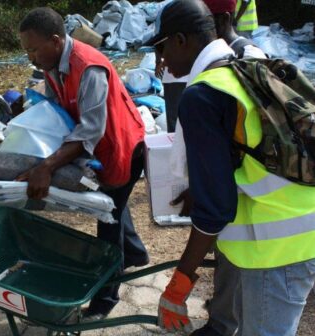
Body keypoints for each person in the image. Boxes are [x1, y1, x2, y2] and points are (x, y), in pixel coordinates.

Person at [145, 0, 315, 335]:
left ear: (181, 40)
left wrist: (180, 283)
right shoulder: (240, 70)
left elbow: (215, 211)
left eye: (160, 49)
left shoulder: (203, 95)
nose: (160, 61)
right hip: (296, 230)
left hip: (278, 248)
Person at [18, 7, 149, 320]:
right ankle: (135, 253)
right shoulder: (50, 64)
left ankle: (106, 300)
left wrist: (46, 167)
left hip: (121, 148)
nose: (31, 58)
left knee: (107, 219)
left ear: (56, 40)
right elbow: (55, 110)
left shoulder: (88, 67)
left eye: (34, 49)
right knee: (115, 205)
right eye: (26, 51)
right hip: (98, 147)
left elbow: (90, 129)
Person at [190, 1, 266, 335]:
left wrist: (182, 277)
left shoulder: (246, 59)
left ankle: (223, 324)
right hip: (237, 182)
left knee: (235, 255)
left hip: (253, 190)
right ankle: (222, 316)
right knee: (228, 253)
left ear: (219, 21)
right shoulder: (222, 60)